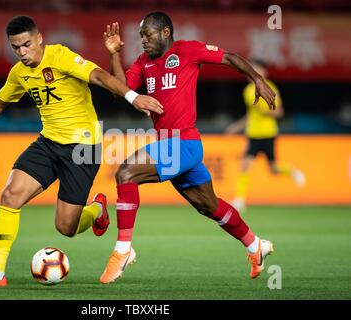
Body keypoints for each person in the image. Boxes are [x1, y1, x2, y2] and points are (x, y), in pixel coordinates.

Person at [0, 15, 163, 287]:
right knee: (10, 195)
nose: (23, 52)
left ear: (39, 38)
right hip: (48, 143)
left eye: (26, 44)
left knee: (65, 228)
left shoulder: (60, 56)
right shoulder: (19, 73)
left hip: (82, 149)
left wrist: (133, 97)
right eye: (16, 48)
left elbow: (98, 75)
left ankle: (96, 210)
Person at [99, 12, 277, 284]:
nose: (143, 41)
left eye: (148, 35)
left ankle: (122, 250)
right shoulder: (143, 62)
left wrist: (258, 79)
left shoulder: (188, 50)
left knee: (125, 173)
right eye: (141, 37)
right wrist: (114, 55)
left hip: (184, 143)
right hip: (170, 146)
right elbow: (120, 90)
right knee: (209, 206)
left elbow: (230, 57)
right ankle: (256, 246)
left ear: (166, 32)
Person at [226, 59, 306, 212]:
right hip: (253, 134)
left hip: (268, 133)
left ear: (265, 72)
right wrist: (237, 127)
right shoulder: (248, 91)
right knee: (245, 165)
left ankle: (292, 171)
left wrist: (266, 112)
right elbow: (250, 115)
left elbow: (279, 112)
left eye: (257, 69)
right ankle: (240, 199)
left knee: (273, 169)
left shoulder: (271, 88)